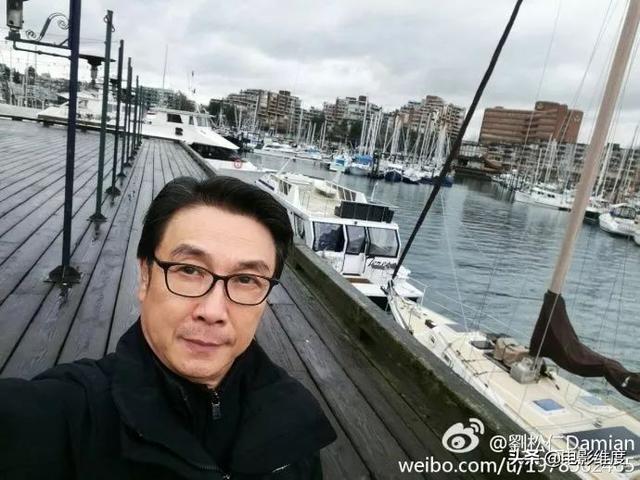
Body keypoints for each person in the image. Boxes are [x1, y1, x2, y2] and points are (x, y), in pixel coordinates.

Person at [0, 176, 337, 479]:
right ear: (145, 276)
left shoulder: (296, 422)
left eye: (246, 279)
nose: (213, 311)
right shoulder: (66, 414)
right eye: (189, 270)